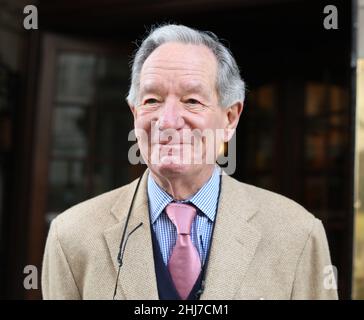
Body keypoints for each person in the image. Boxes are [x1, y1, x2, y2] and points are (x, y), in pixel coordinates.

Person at [42, 24, 338, 300]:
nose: (168, 121)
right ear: (135, 114)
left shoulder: (297, 234)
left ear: (230, 117)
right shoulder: (72, 237)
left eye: (192, 101)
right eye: (152, 100)